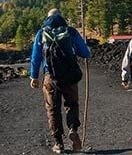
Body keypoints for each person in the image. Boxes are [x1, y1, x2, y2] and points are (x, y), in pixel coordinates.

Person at [30, 9, 90, 154]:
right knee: (72, 104)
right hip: (69, 76)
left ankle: (58, 143)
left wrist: (34, 76)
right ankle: (73, 129)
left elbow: (35, 57)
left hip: (50, 77)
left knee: (52, 109)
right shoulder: (70, 31)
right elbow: (85, 53)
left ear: (48, 18)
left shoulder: (41, 33)